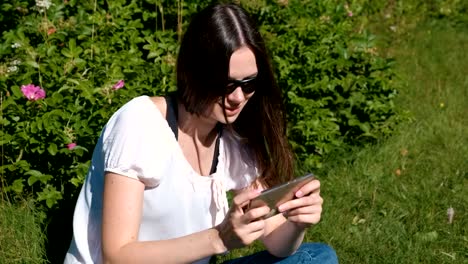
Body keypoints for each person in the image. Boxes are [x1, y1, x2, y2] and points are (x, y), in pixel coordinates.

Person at [64, 2, 338, 264]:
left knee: (317, 257)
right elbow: (117, 256)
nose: (238, 97)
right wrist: (219, 238)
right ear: (194, 73)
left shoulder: (231, 138)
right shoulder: (140, 122)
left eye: (249, 83)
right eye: (226, 84)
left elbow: (276, 241)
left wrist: (297, 222)